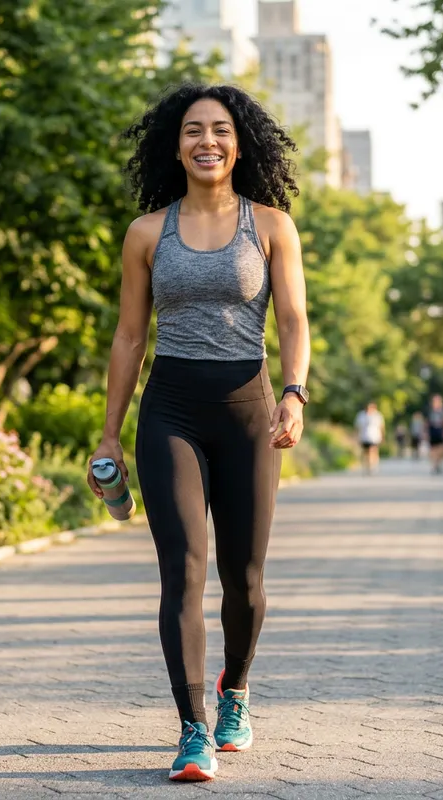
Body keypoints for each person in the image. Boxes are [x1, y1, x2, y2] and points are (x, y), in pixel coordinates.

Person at [86, 84, 310, 782]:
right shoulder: (146, 233)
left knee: (244, 578)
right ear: (175, 146)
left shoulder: (270, 225)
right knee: (181, 571)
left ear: (240, 145)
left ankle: (234, 690)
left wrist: (295, 393)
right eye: (192, 130)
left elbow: (294, 319)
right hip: (172, 411)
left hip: (249, 411)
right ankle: (192, 729)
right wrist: (109, 435)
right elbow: (129, 337)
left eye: (219, 129)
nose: (206, 141)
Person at [355, 401, 385, 474]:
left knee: (373, 450)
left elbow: (382, 426)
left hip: (375, 437)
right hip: (364, 437)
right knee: (365, 452)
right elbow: (357, 427)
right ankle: (366, 466)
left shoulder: (377, 416)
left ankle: (373, 465)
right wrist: (357, 436)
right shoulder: (361, 415)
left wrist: (382, 436)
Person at [426, 394, 443, 474]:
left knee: (441, 449)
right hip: (432, 430)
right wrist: (425, 432)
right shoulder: (430, 410)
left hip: (441, 430)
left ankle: (439, 462)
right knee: (433, 449)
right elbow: (427, 422)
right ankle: (434, 465)